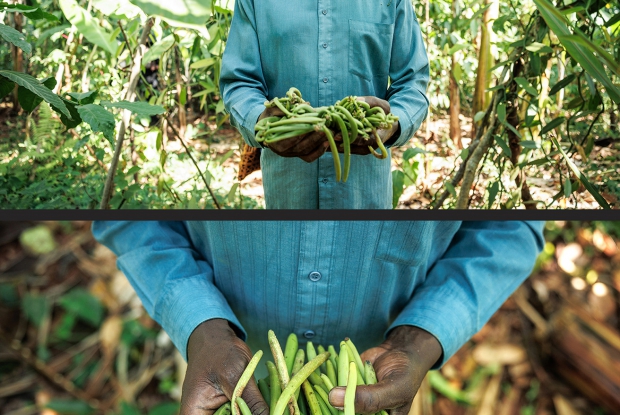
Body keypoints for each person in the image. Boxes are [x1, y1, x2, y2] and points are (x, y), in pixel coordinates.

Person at [93, 221, 545, 415]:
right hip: (215, 364)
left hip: (385, 381)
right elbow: (132, 220)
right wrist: (201, 328)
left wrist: (418, 340)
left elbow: (512, 228)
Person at [219, 0, 429, 208]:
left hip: (364, 197)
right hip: (289, 195)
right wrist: (261, 121)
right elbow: (240, 81)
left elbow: (412, 81)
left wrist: (392, 125)